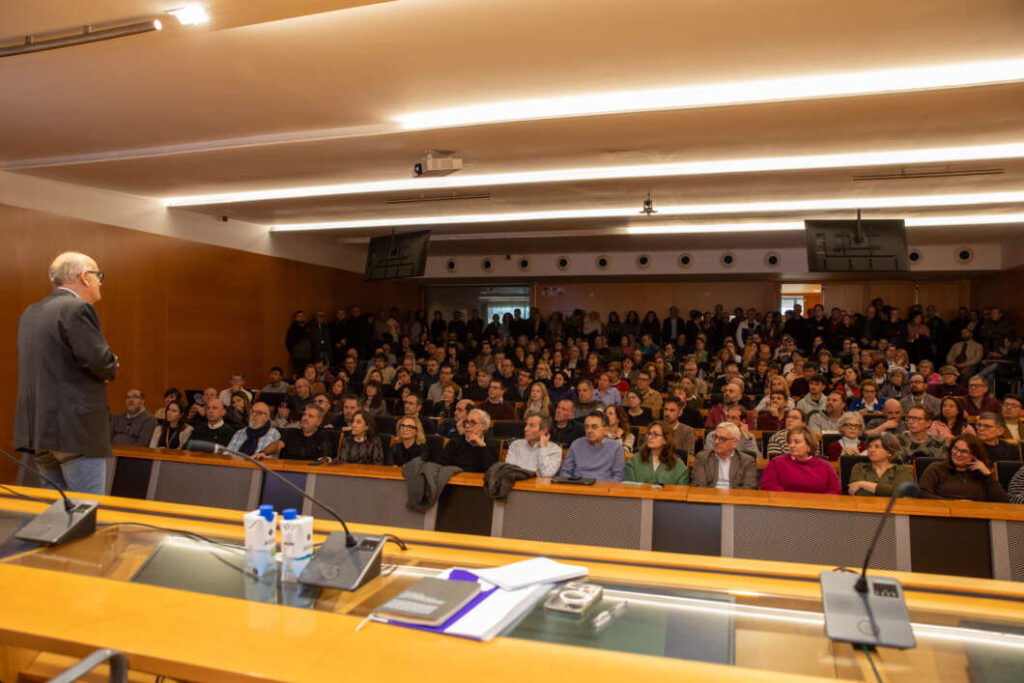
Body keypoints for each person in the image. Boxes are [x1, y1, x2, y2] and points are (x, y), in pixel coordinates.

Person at [15, 252, 118, 494]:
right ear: (85, 277)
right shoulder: (77, 308)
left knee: (56, 514)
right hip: (75, 430)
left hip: (40, 428)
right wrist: (112, 363)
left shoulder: (31, 312)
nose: (100, 282)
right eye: (98, 276)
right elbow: (99, 360)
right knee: (87, 511)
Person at [919, 434, 1009, 502]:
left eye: (964, 451)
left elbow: (1002, 502)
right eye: (955, 449)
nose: (958, 454)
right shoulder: (936, 469)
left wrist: (988, 474)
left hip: (976, 519)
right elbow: (923, 495)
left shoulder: (982, 475)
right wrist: (955, 503)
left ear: (974, 454)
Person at [760, 425, 841, 494]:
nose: (791, 445)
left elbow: (835, 490)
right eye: (790, 442)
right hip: (784, 506)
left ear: (809, 446)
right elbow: (768, 486)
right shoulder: (776, 463)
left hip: (817, 508)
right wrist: (791, 499)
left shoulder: (825, 466)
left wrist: (816, 502)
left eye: (796, 442)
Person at [558, 411, 624, 482]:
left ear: (605, 430)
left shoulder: (615, 447)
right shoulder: (576, 444)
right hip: (578, 488)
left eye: (594, 427)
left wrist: (604, 489)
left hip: (604, 489)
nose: (589, 430)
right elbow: (565, 471)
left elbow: (618, 476)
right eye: (586, 427)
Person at [691, 422, 758, 489]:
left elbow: (749, 488)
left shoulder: (747, 461)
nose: (716, 441)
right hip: (709, 497)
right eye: (715, 437)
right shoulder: (702, 458)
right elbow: (699, 487)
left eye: (722, 439)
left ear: (734, 443)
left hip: (735, 498)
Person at [847, 433, 915, 496]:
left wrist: (862, 484)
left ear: (890, 452)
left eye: (877, 447)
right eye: (869, 446)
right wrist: (889, 490)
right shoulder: (859, 467)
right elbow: (857, 492)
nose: (871, 450)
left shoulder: (903, 470)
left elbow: (903, 492)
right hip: (864, 507)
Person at [623, 421, 689, 485]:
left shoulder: (678, 466)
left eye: (655, 434)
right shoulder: (634, 460)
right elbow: (629, 488)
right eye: (649, 433)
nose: (650, 437)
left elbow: (681, 492)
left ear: (666, 439)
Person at [434, 409, 498, 472]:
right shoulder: (454, 442)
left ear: (483, 426)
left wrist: (483, 447)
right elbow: (441, 467)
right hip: (457, 480)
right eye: (466, 422)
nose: (467, 426)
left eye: (473, 423)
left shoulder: (492, 444)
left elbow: (492, 471)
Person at [505, 412, 563, 477]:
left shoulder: (554, 450)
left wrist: (543, 448)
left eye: (531, 425)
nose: (525, 429)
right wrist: (535, 474)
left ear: (543, 431)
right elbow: (508, 471)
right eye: (526, 425)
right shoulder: (516, 445)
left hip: (540, 486)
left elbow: (547, 474)